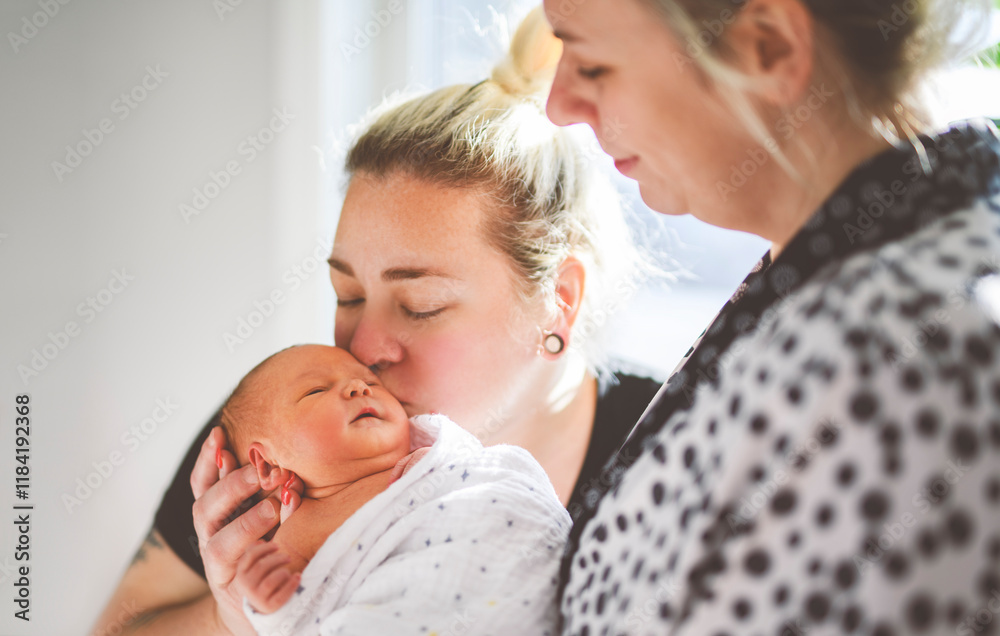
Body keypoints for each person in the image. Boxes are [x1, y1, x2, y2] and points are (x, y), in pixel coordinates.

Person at [90, 9, 661, 635]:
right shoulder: (290, 435)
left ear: (561, 300)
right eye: (347, 294)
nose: (362, 349)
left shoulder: (667, 454)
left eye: (420, 306)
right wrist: (235, 617)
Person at [542, 0, 1000, 634]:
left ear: (768, 46)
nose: (558, 104)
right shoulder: (831, 267)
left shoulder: (895, 360)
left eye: (592, 66)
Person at [220, 344, 568, 633]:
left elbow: (499, 481)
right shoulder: (302, 528)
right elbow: (294, 617)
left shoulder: (438, 456)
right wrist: (264, 596)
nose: (359, 388)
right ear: (266, 464)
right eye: (316, 390)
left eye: (369, 381)